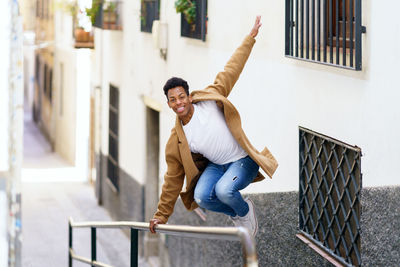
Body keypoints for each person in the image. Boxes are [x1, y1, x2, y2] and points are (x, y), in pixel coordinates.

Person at [149, 16, 278, 237]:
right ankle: (238, 213)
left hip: (242, 161)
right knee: (201, 197)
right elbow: (172, 178)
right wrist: (161, 215)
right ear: (169, 104)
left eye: (182, 97)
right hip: (217, 167)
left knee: (224, 190)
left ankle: (245, 211)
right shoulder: (177, 140)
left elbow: (231, 70)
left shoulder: (210, 100)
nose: (179, 102)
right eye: (173, 100)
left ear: (189, 97)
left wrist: (250, 39)